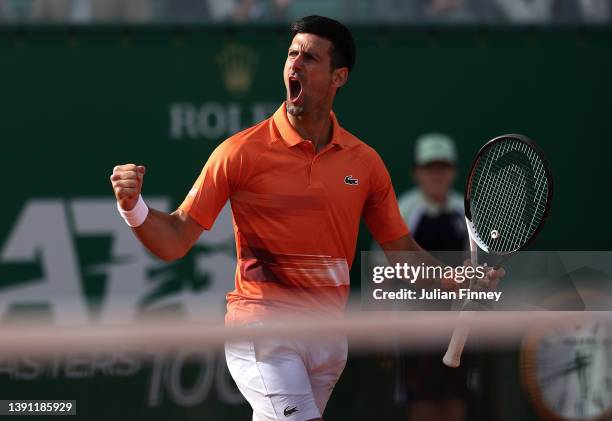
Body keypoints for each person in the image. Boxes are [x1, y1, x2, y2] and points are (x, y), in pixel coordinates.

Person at [110, 16, 503, 421]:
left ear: (339, 77)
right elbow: (175, 238)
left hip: (328, 341)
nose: (295, 64)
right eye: (291, 54)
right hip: (262, 329)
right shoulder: (239, 153)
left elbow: (400, 250)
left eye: (310, 57)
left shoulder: (365, 163)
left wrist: (454, 280)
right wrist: (132, 207)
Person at [393, 133, 472, 421]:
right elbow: (385, 269)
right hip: (414, 324)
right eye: (430, 167)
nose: (437, 174)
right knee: (422, 403)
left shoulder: (466, 212)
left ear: (453, 171)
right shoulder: (403, 211)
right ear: (417, 172)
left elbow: (475, 267)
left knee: (455, 401)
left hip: (459, 324)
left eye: (443, 167)